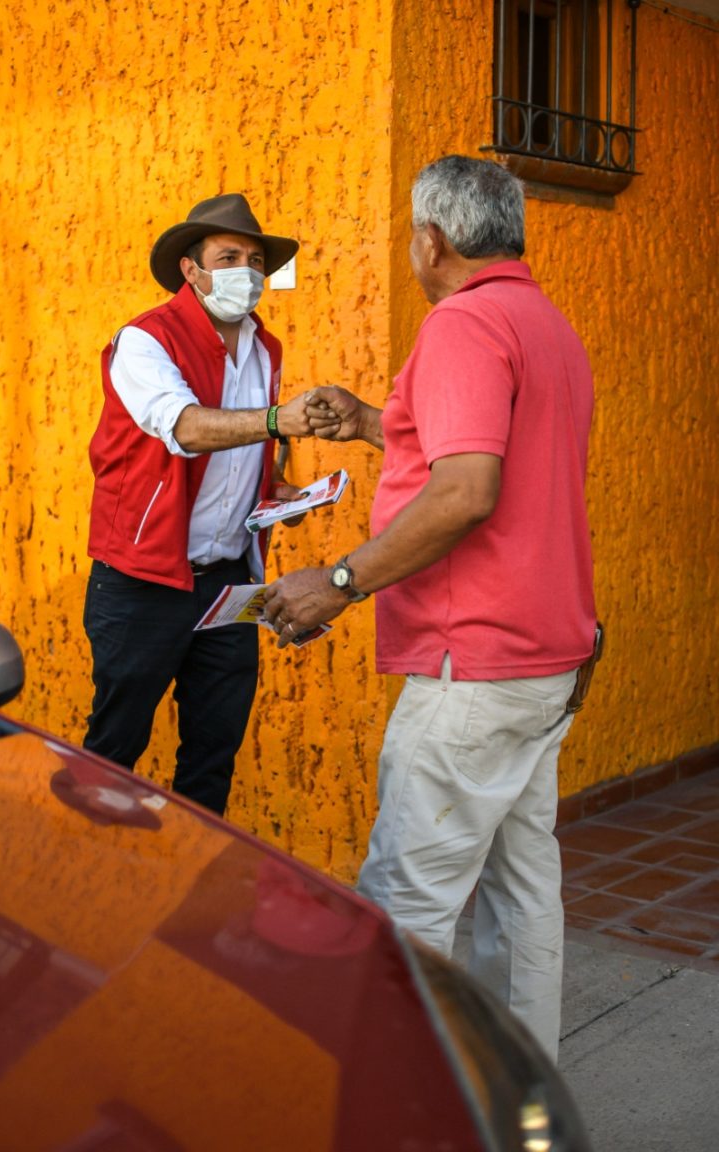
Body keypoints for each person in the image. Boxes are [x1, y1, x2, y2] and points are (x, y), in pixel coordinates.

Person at [263, 156, 597, 1060]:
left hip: (472, 666)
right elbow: (483, 451)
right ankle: (518, 1091)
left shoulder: (463, 324)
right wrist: (375, 421)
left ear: (432, 239)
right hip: (544, 656)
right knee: (519, 887)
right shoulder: (544, 323)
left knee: (409, 895)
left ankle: (389, 1103)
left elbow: (465, 493)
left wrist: (335, 584)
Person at [84, 193, 339, 816]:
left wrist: (274, 497)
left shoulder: (265, 348)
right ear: (191, 271)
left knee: (212, 754)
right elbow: (189, 428)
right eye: (229, 256)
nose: (246, 272)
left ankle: (191, 891)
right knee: (113, 752)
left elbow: (237, 459)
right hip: (142, 581)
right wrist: (280, 421)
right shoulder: (144, 340)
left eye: (256, 260)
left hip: (230, 584)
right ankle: (83, 890)